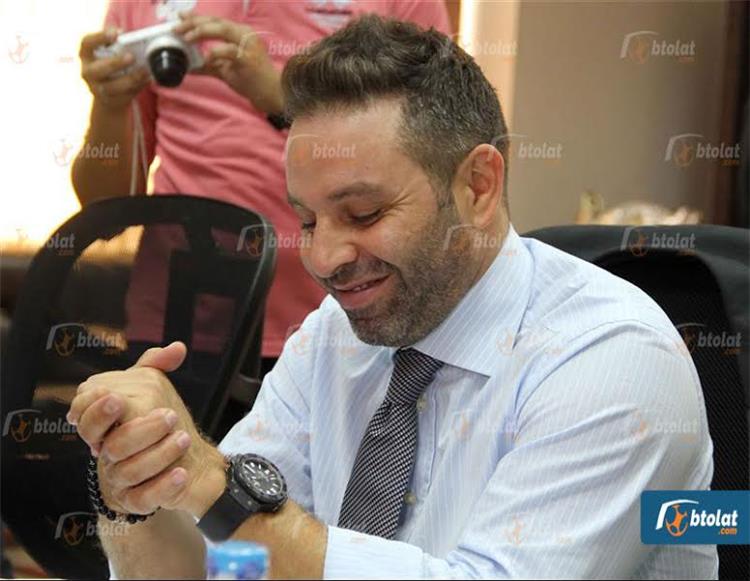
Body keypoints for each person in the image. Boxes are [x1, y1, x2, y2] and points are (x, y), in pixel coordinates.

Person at [67, 15, 718, 579]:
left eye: (365, 213)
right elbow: (224, 558)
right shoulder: (333, 333)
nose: (325, 258)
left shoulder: (612, 358)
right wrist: (141, 487)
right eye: (308, 221)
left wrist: (215, 484)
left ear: (479, 185)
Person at [72, 0, 451, 398]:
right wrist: (109, 105)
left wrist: (280, 99)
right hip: (177, 327)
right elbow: (104, 212)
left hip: (349, 319)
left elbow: (435, 156)